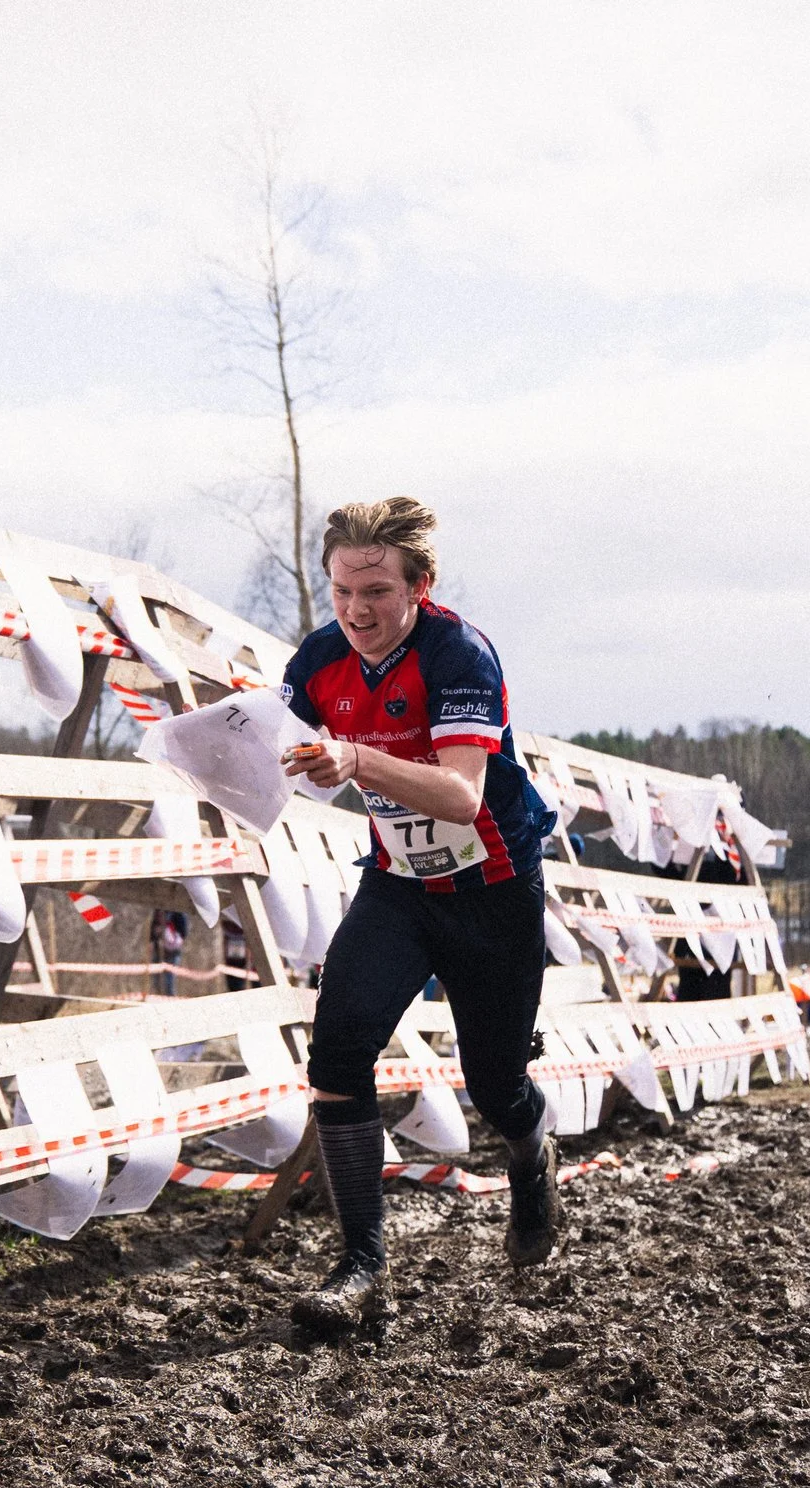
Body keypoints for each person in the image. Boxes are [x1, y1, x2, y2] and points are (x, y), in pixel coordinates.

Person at [276, 496, 561, 1331]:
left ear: (420, 585)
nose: (358, 611)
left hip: (493, 888)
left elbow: (461, 793)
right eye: (342, 591)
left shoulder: (458, 651)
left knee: (493, 1083)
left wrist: (356, 757)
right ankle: (362, 1264)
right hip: (399, 885)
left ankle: (530, 1142)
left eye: (377, 592)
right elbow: (276, 745)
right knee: (337, 1047)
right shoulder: (321, 658)